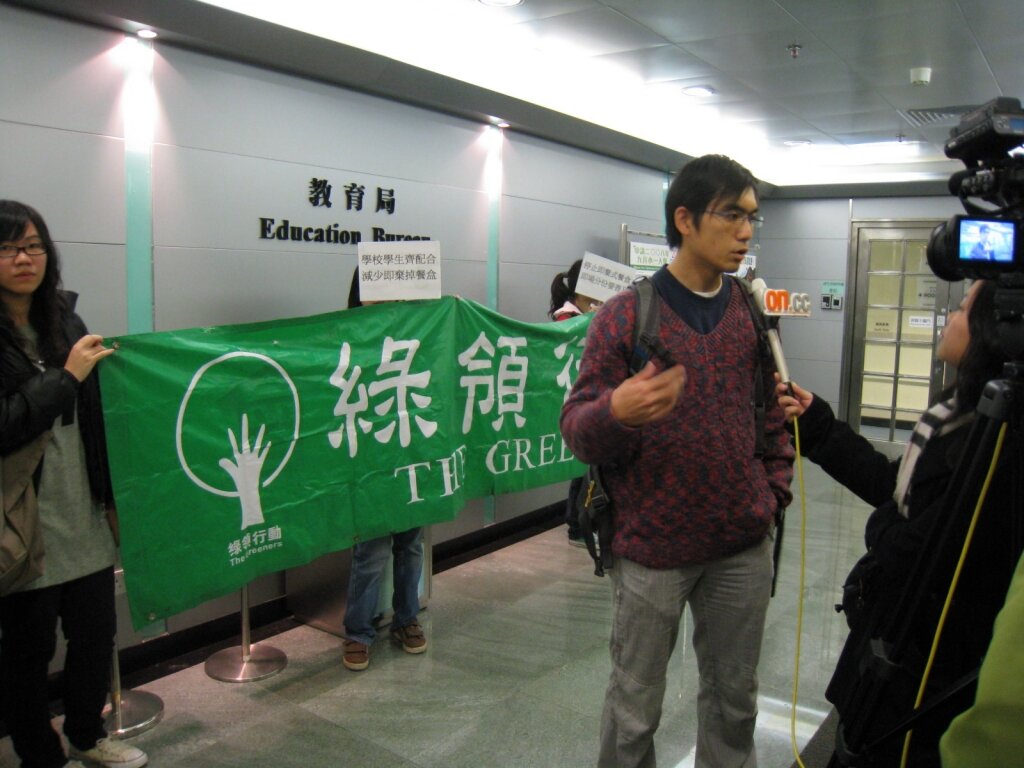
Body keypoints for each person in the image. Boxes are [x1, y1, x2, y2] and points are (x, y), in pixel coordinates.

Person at [560, 154, 794, 768]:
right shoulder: (626, 315)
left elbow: (772, 413)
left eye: (752, 217)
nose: (745, 231)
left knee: (734, 702)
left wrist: (771, 495)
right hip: (651, 549)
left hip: (741, 544)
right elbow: (577, 430)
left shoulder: (750, 310)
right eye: (731, 215)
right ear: (685, 220)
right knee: (633, 708)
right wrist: (616, 410)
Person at [776, 279, 1020, 767]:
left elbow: (920, 541)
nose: (950, 317)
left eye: (963, 309)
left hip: (926, 664)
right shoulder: (956, 415)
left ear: (993, 332)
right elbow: (895, 487)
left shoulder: (999, 439)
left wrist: (883, 527)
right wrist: (818, 424)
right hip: (890, 642)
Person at [0, 201, 148, 768]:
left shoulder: (65, 321)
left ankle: (88, 734)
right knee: (28, 651)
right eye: (8, 248)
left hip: (80, 509)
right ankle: (40, 754)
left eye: (33, 246)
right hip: (22, 520)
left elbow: (95, 417)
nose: (24, 259)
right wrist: (65, 377)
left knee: (95, 635)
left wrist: (109, 498)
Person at [341, 268, 426, 671]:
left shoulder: (418, 334)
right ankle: (358, 631)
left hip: (411, 457)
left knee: (410, 545)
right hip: (371, 464)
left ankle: (407, 619)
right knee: (371, 551)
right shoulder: (348, 336)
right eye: (378, 292)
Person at [549, 258, 601, 547]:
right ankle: (577, 525)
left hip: (589, 401)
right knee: (581, 468)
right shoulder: (566, 318)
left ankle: (583, 522)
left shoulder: (585, 315)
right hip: (573, 403)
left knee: (585, 467)